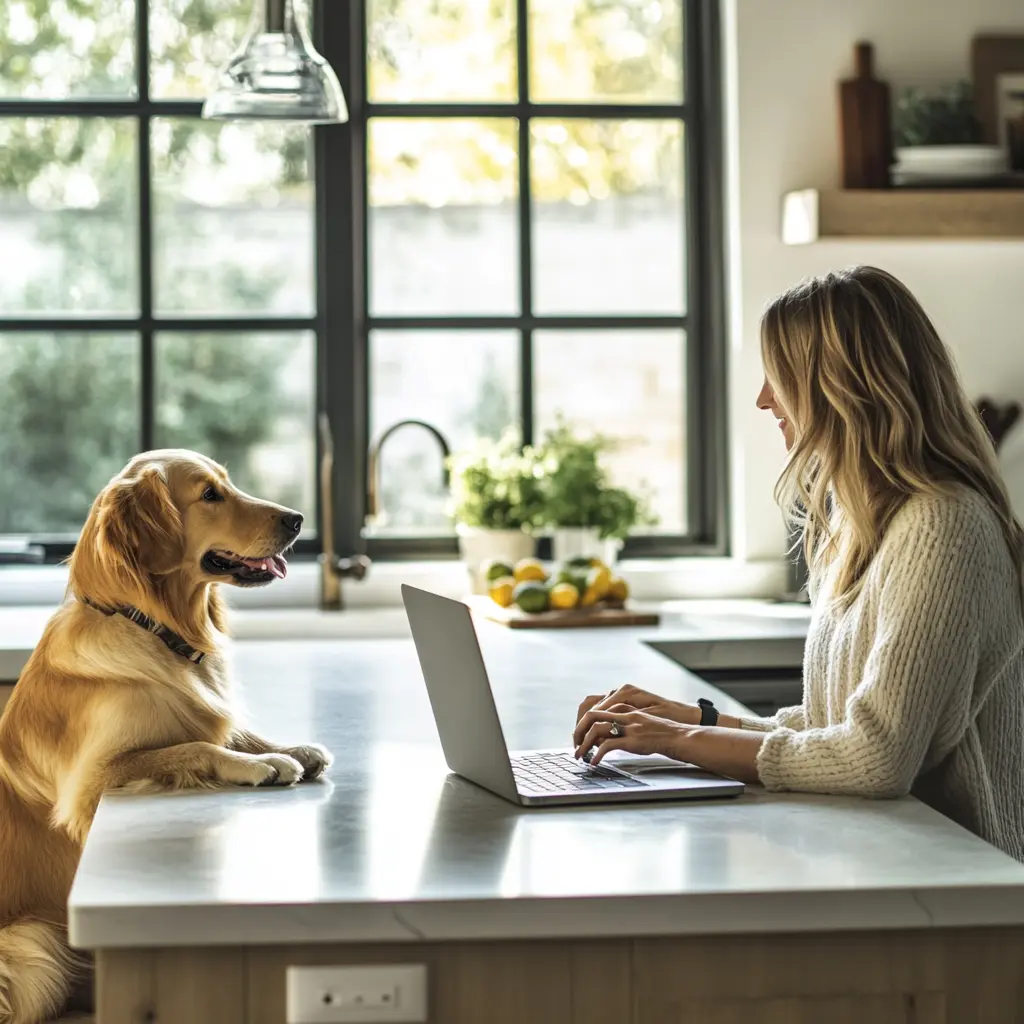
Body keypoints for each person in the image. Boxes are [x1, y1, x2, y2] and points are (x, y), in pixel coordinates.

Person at [574, 265, 1024, 860]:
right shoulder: (865, 522)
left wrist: (681, 740)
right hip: (892, 860)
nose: (764, 398)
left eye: (779, 376)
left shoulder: (943, 523)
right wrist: (692, 720)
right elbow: (827, 726)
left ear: (844, 385)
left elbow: (875, 758)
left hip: (965, 887)